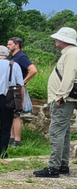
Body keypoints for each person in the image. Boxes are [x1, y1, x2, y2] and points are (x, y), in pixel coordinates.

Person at [34, 27, 77, 178]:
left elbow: (69, 76)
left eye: (58, 37)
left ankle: (54, 167)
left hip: (63, 99)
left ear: (65, 39)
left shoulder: (71, 53)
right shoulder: (70, 53)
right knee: (63, 132)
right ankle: (62, 165)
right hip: (65, 98)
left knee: (57, 132)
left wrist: (60, 95)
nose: (55, 40)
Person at [7, 37, 38, 147]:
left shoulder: (21, 57)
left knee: (16, 114)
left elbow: (33, 70)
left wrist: (22, 82)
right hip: (14, 88)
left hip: (17, 89)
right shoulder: (15, 57)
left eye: (10, 44)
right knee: (11, 113)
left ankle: (17, 140)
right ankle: (11, 138)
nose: (8, 46)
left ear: (17, 45)